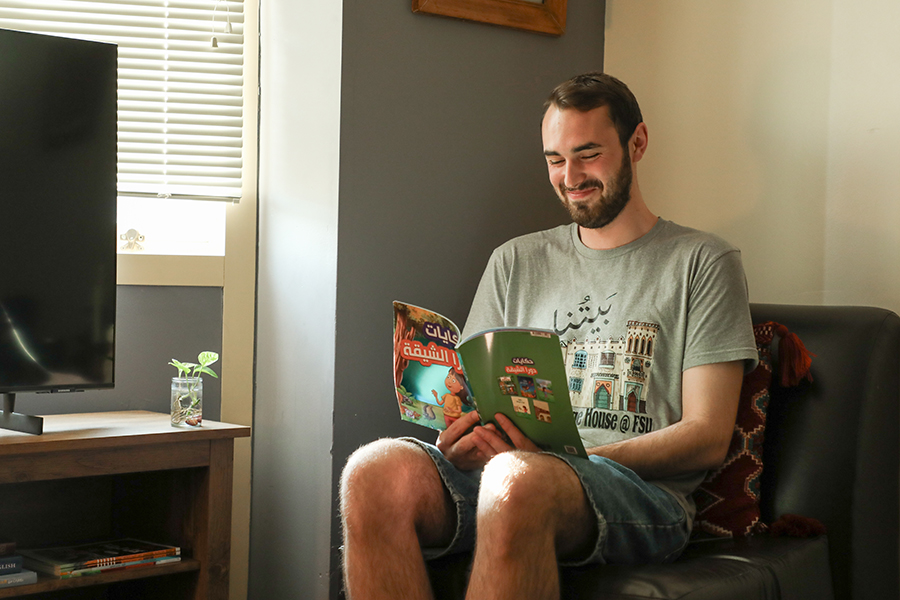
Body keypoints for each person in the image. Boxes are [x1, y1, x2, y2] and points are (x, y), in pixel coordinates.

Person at [339, 72, 758, 600]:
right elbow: (470, 398)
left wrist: (565, 463)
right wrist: (461, 438)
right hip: (506, 471)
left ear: (638, 143)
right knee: (372, 473)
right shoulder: (516, 260)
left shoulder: (702, 262)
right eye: (555, 160)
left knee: (519, 482)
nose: (571, 176)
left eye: (588, 154)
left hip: (637, 495)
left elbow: (707, 434)